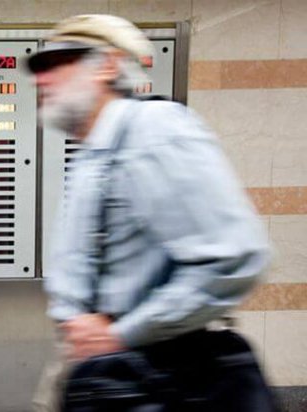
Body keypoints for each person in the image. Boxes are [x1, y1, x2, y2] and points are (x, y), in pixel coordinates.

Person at [27, 14, 272, 411]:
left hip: (155, 377)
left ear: (107, 65)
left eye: (58, 63)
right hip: (100, 367)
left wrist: (122, 333)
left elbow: (233, 258)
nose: (41, 78)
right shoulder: (94, 151)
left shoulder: (154, 131)